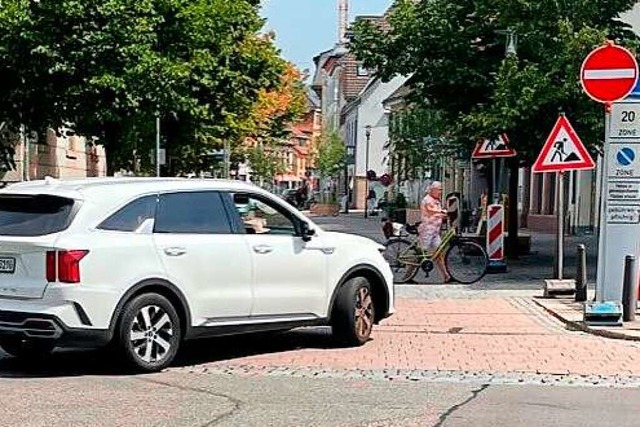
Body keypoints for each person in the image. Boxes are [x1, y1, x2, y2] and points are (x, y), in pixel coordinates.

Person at [418, 181, 452, 283]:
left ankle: (446, 275)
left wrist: (444, 215)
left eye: (441, 190)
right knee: (420, 253)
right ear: (433, 190)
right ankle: (408, 275)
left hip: (435, 231)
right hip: (427, 231)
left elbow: (437, 214)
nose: (440, 192)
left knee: (439, 253)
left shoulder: (436, 200)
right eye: (439, 190)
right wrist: (442, 212)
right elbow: (431, 210)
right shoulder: (427, 200)